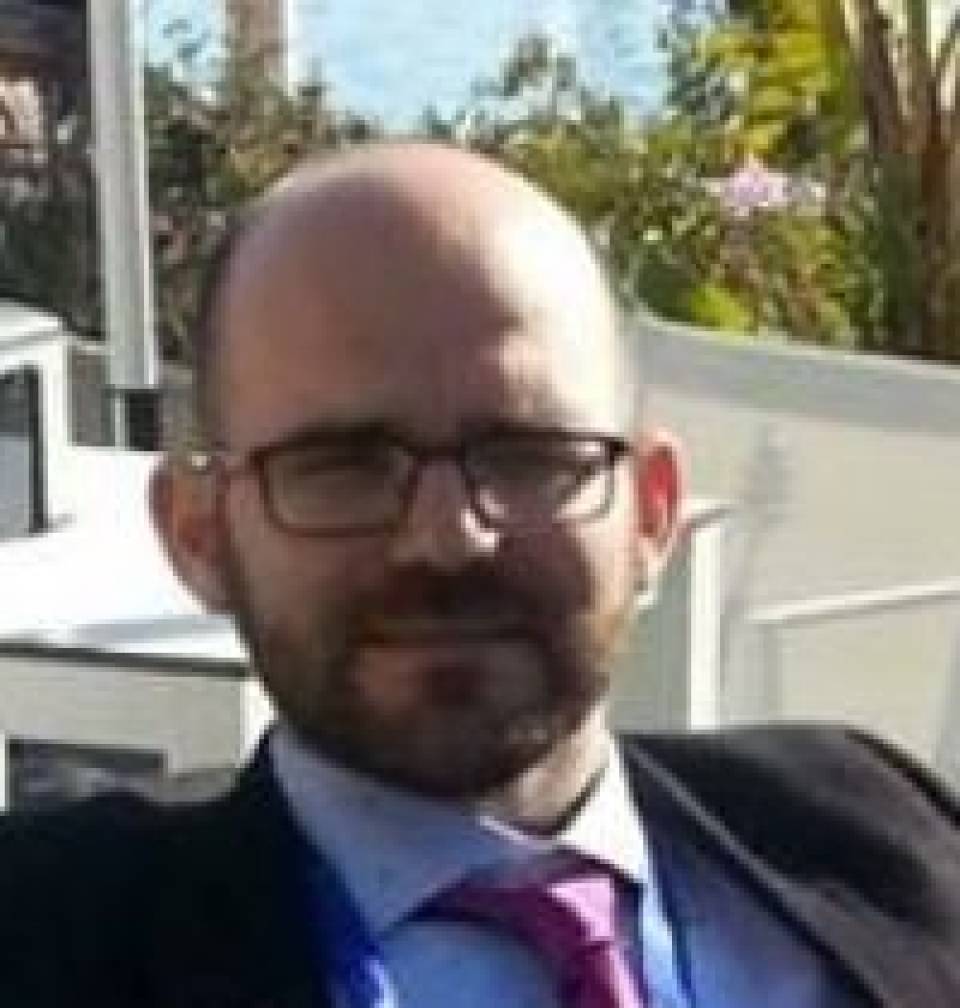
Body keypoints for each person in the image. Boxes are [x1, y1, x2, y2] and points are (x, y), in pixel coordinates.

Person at [1, 142, 959, 1008]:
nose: (448, 539)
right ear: (199, 535)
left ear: (651, 512)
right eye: (344, 466)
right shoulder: (47, 940)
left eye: (528, 457)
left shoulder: (875, 831)